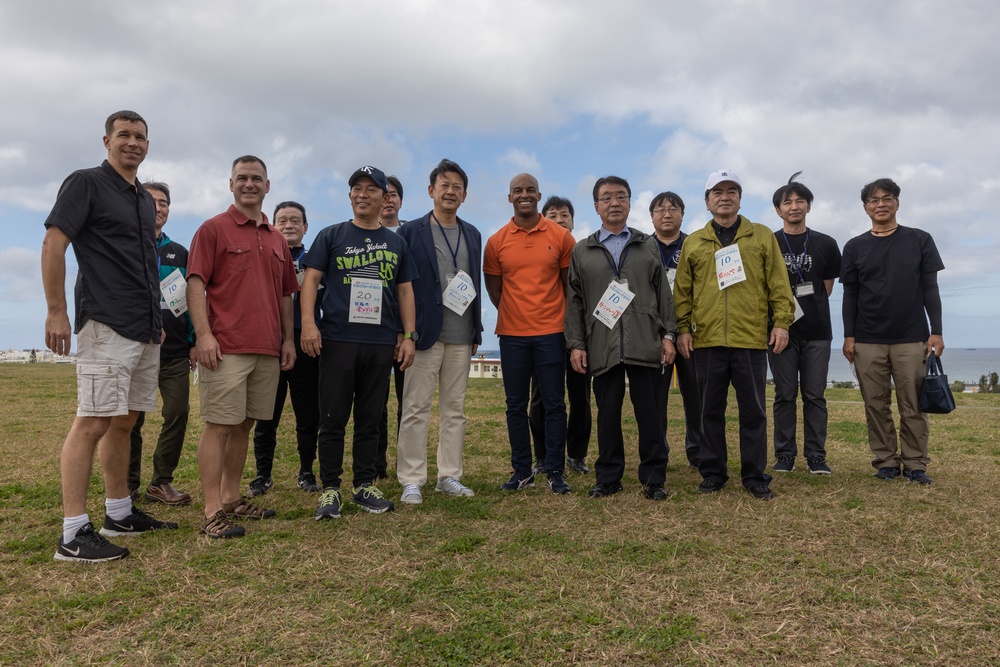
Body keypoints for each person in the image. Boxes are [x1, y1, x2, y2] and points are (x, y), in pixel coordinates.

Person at [43, 110, 176, 563]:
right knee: (92, 422)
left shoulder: (141, 198)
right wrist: (57, 311)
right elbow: (54, 244)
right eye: (124, 135)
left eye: (140, 136)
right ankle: (72, 533)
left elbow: (141, 262)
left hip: (144, 326)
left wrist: (156, 322)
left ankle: (118, 512)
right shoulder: (85, 183)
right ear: (106, 140)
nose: (133, 142)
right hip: (105, 322)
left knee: (126, 421)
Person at [187, 156, 298, 539]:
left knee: (244, 425)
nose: (249, 184)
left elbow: (286, 295)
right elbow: (196, 284)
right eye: (242, 178)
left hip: (267, 347)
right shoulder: (212, 229)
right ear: (230, 184)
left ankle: (233, 498)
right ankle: (212, 510)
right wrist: (203, 336)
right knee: (219, 425)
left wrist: (287, 340)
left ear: (268, 186)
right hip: (226, 346)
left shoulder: (276, 238)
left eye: (256, 179)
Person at [300, 166, 417, 519]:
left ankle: (364, 484)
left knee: (371, 418)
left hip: (380, 342)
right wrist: (308, 324)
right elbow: (311, 280)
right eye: (357, 188)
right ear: (350, 195)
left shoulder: (397, 242)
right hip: (337, 339)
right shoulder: (332, 235)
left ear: (385, 197)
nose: (363, 194)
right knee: (333, 417)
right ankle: (331, 489)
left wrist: (408, 335)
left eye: (371, 189)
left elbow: (405, 290)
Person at [673, 170, 795, 500]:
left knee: (753, 412)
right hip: (707, 341)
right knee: (708, 411)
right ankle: (713, 473)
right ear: (707, 200)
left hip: (751, 340)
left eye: (732, 191)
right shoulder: (694, 242)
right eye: (717, 191)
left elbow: (779, 284)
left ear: (740, 198)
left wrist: (781, 322)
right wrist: (683, 329)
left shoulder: (762, 235)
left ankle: (755, 475)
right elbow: (682, 291)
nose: (724, 196)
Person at [566, 176, 677, 500]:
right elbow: (574, 300)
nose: (614, 203)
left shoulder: (647, 244)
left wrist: (668, 335)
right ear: (597, 205)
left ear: (629, 202)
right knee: (608, 413)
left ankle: (654, 478)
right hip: (602, 343)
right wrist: (576, 344)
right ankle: (608, 477)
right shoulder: (582, 250)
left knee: (651, 414)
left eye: (621, 197)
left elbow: (664, 294)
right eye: (606, 198)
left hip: (645, 342)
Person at [841, 178, 944, 485]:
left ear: (898, 203)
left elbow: (930, 287)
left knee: (913, 404)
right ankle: (885, 461)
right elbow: (851, 296)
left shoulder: (919, 239)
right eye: (874, 200)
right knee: (875, 404)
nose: (881, 204)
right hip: (868, 339)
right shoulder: (854, 246)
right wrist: (849, 336)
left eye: (887, 198)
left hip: (912, 338)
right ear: (865, 208)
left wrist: (935, 332)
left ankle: (915, 464)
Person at [396, 159, 483, 504]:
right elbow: (399, 286)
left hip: (461, 334)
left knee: (455, 409)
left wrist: (476, 328)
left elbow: (473, 282)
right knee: (415, 407)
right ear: (431, 191)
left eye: (457, 187)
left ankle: (449, 475)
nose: (451, 191)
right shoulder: (409, 232)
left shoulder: (473, 233)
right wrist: (404, 334)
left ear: (464, 195)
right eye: (444, 185)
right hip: (423, 335)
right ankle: (412, 478)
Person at [484, 173, 575, 494]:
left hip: (552, 333)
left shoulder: (561, 237)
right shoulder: (496, 241)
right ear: (509, 198)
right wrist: (516, 312)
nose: (524, 195)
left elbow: (569, 288)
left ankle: (554, 470)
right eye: (517, 191)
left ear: (539, 195)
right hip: (511, 335)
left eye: (530, 190)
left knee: (554, 404)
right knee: (515, 406)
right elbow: (495, 291)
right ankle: (522, 470)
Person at [768, 174, 842, 475]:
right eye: (787, 202)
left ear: (809, 207)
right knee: (784, 395)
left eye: (800, 201)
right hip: (779, 333)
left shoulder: (826, 243)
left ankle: (816, 456)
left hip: (817, 332)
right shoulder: (769, 241)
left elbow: (826, 287)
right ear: (778, 210)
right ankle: (784, 455)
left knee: (815, 395)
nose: (794, 206)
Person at [128, 181, 196, 505]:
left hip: (174, 354)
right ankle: (127, 486)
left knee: (178, 413)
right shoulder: (125, 246)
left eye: (164, 202)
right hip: (135, 351)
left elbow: (194, 301)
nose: (159, 207)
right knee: (131, 420)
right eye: (152, 201)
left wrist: (195, 341)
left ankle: (161, 482)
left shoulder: (181, 254)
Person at [248, 201, 322, 496]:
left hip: (308, 346)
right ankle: (262, 475)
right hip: (269, 345)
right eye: (282, 220)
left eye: (295, 220)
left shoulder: (317, 261)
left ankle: (307, 472)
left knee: (308, 415)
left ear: (306, 227)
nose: (289, 225)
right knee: (266, 414)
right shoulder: (264, 255)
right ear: (272, 226)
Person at [528, 196, 593, 476]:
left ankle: (577, 455)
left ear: (573, 221)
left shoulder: (587, 252)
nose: (559, 220)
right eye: (552, 215)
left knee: (581, 397)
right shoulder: (539, 251)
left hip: (581, 335)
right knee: (541, 397)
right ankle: (541, 457)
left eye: (564, 215)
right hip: (545, 333)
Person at [647, 191, 702, 469]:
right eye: (660, 209)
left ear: (682, 213)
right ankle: (659, 452)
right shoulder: (642, 246)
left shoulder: (695, 244)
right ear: (651, 216)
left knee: (697, 397)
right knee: (656, 400)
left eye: (673, 208)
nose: (666, 214)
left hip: (691, 333)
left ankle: (699, 453)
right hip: (655, 335)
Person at [376, 175, 406, 479]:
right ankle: (376, 464)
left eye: (393, 195)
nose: (388, 200)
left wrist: (406, 331)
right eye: (382, 194)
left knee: (407, 404)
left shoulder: (412, 234)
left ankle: (406, 464)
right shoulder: (358, 235)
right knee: (375, 402)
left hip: (407, 334)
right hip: (372, 332)